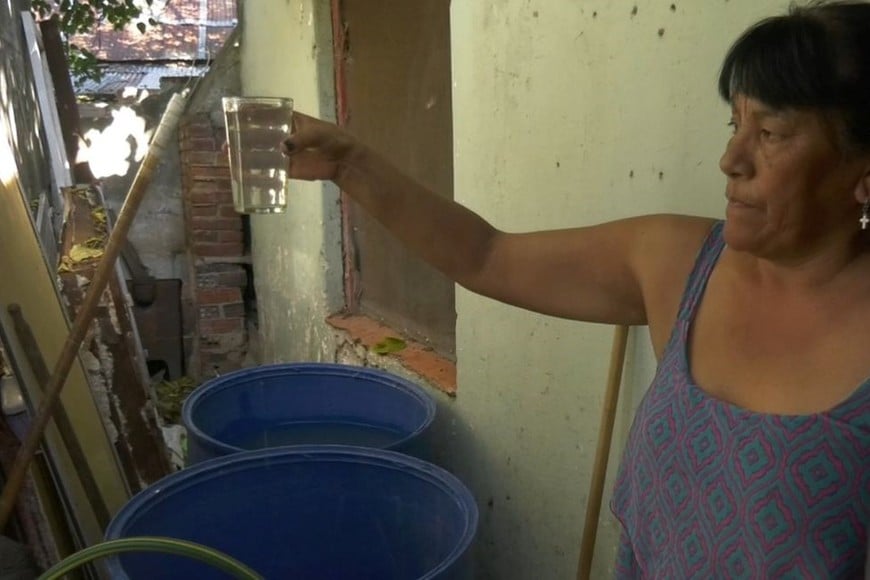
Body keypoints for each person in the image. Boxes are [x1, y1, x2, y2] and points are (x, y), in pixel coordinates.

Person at [281, 1, 869, 577]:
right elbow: (486, 256)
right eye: (734, 124)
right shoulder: (681, 266)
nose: (729, 159)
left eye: (770, 133)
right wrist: (349, 163)